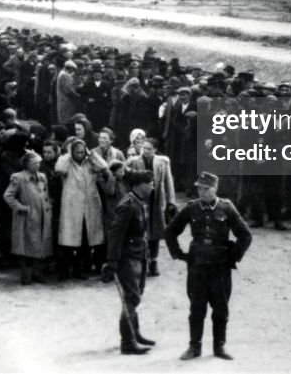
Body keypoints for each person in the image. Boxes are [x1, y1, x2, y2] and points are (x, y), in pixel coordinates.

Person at [164, 171, 252, 361]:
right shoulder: (191, 208)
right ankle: (194, 347)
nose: (201, 192)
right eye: (199, 189)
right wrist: (179, 254)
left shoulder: (227, 208)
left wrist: (233, 257)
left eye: (205, 189)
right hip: (197, 266)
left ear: (215, 189)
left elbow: (245, 235)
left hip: (220, 267)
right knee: (196, 308)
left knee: (220, 308)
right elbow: (170, 231)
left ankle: (219, 346)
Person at [102, 169, 157, 355]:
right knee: (132, 297)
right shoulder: (128, 205)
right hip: (127, 258)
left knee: (136, 294)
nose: (153, 186)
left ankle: (136, 334)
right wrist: (112, 261)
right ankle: (128, 342)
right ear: (141, 185)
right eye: (150, 183)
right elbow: (115, 235)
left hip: (139, 255)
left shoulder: (139, 202)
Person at [55, 136, 111, 279]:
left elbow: (104, 166)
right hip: (71, 206)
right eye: (76, 152)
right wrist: (68, 153)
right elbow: (59, 169)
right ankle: (65, 270)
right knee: (69, 239)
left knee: (86, 238)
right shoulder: (66, 162)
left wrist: (91, 154)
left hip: (89, 205)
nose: (80, 155)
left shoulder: (90, 162)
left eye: (82, 152)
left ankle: (81, 268)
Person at [126, 138, 177, 276]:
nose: (146, 151)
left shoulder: (162, 162)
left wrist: (171, 201)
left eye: (149, 149)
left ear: (155, 149)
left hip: (156, 200)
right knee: (141, 231)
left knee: (155, 233)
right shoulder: (134, 162)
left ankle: (153, 262)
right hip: (141, 200)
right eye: (144, 148)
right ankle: (142, 261)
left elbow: (168, 182)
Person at [4, 151, 55, 285]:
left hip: (42, 215)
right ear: (26, 164)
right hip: (26, 217)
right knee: (26, 246)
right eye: (34, 163)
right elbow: (8, 196)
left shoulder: (42, 177)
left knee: (40, 244)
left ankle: (37, 272)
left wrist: (48, 204)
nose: (37, 165)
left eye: (38, 162)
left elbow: (45, 193)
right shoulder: (18, 177)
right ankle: (25, 274)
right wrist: (21, 207)